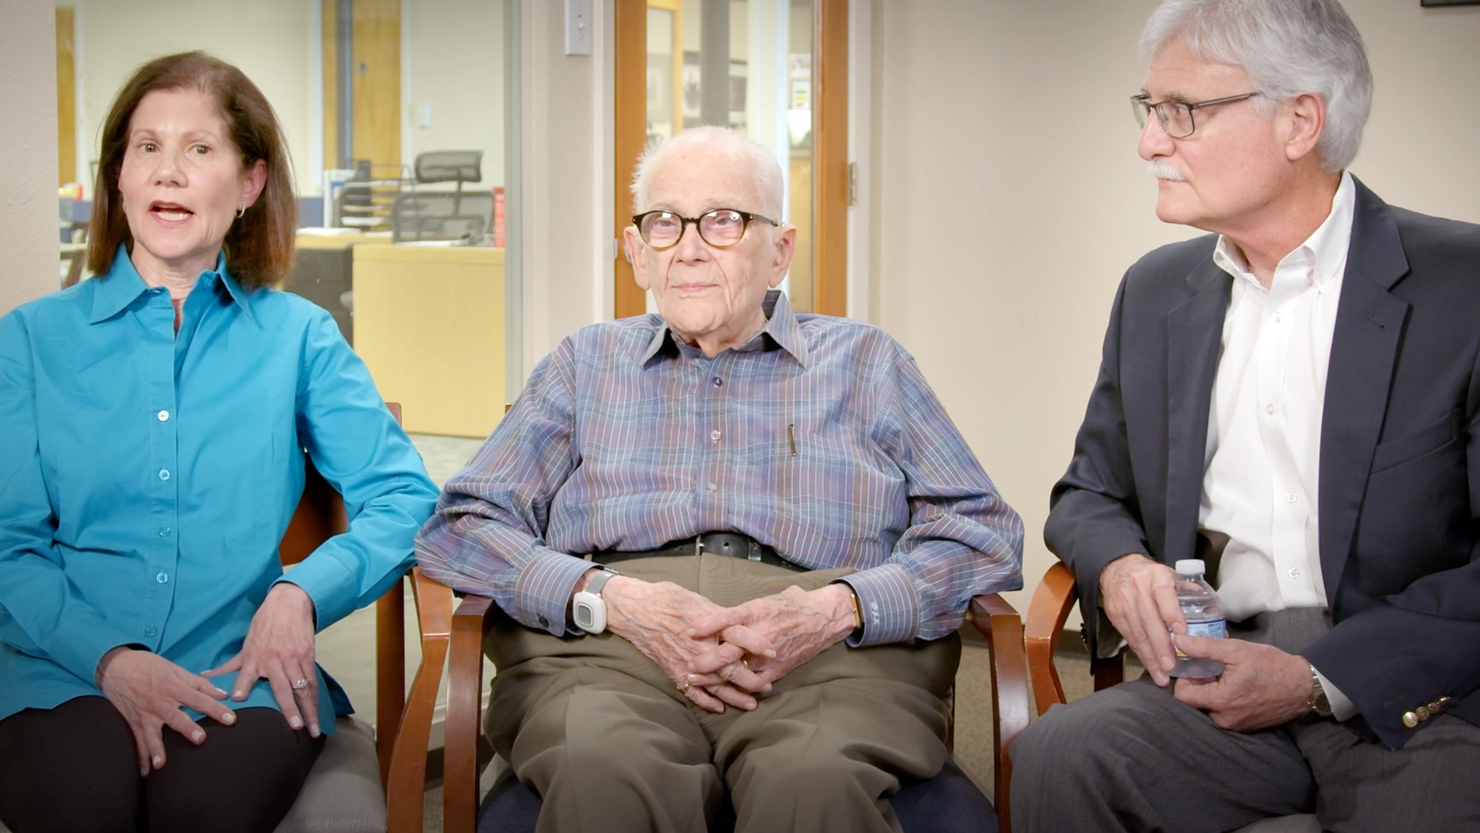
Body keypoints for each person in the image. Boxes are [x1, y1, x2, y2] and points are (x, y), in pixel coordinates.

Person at [415, 125, 1023, 833]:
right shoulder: (584, 364)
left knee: (810, 783)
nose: (691, 247)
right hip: (610, 649)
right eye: (665, 223)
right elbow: (461, 528)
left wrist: (839, 608)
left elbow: (981, 532)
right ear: (637, 252)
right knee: (601, 772)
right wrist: (605, 596)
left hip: (824, 657)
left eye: (724, 220)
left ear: (780, 250)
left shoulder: (867, 363)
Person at [1010, 0, 1480, 830]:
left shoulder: (1462, 287)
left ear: (1301, 121)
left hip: (1416, 696)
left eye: (1182, 112)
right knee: (1059, 755)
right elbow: (1088, 493)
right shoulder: (1155, 292)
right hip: (1215, 679)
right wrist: (1121, 568)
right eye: (1151, 111)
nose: (1149, 143)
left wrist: (1314, 678)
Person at [0, 52, 438, 833]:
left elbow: (406, 498)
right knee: (84, 803)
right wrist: (111, 660)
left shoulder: (299, 336)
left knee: (204, 808)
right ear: (118, 180)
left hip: (241, 670)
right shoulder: (28, 342)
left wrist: (301, 591)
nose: (169, 172)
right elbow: (8, 545)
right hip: (59, 667)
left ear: (248, 186)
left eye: (200, 150)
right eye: (148, 148)